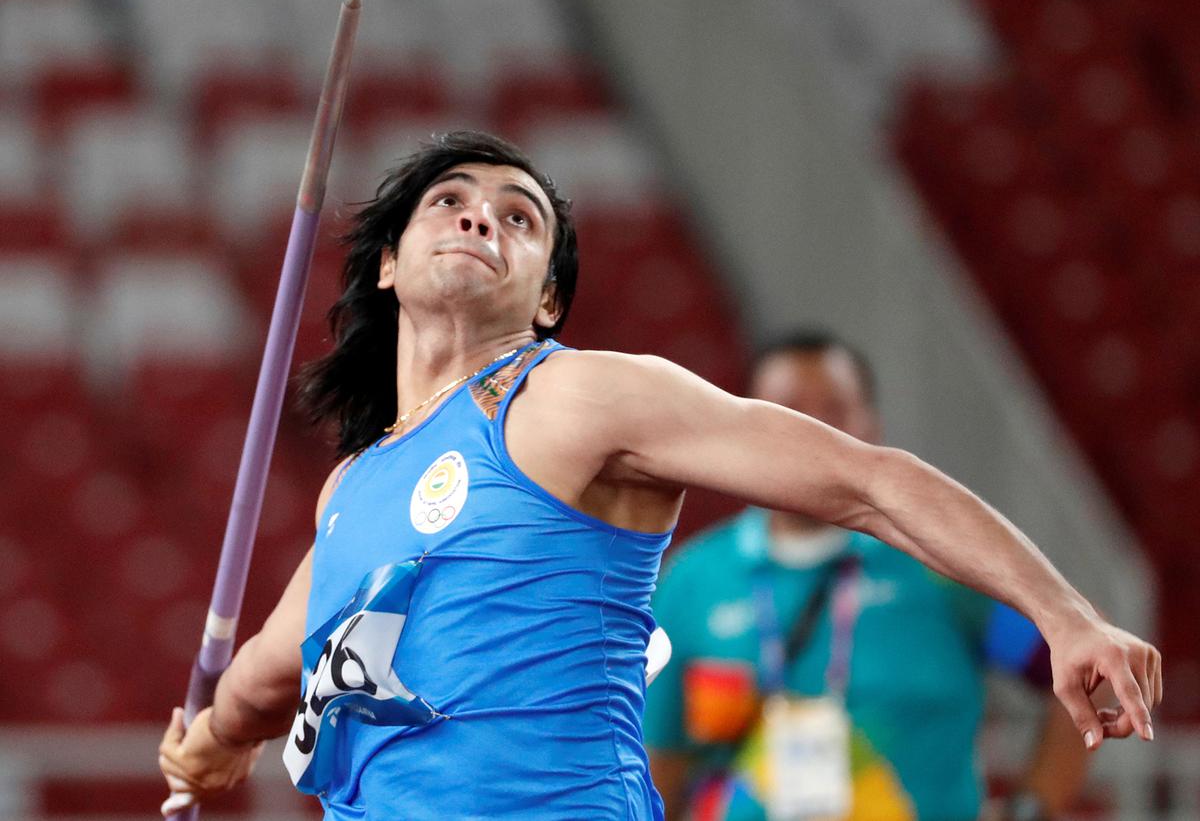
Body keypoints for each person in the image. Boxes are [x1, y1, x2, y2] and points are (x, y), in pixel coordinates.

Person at [158, 131, 1160, 821]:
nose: (479, 219)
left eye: (519, 217)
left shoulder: (579, 399)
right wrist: (206, 743)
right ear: (387, 262)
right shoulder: (354, 489)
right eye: (448, 202)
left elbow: (867, 481)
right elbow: (262, 673)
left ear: (546, 297)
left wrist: (1063, 611)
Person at [644, 332, 1091, 821]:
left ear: (871, 428)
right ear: (743, 429)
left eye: (835, 409)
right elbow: (658, 764)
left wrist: (1033, 807)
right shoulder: (691, 582)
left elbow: (1088, 672)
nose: (812, 428)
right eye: (786, 408)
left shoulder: (941, 565)